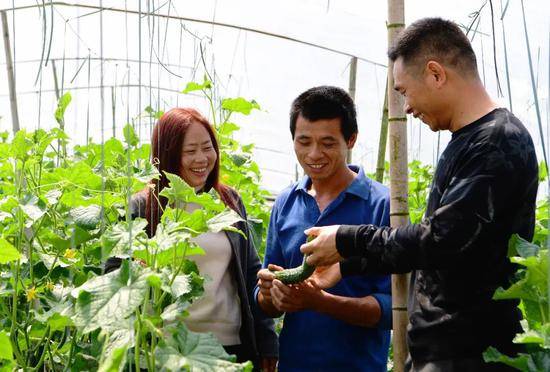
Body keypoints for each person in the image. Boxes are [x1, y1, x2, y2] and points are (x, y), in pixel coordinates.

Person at [300, 18, 539, 372]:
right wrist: (346, 264)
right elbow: (438, 250)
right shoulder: (469, 140)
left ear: (435, 74)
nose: (407, 107)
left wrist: (349, 239)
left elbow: (441, 239)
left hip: (472, 356)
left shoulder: (497, 142)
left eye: (404, 91)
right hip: (446, 353)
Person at [105, 108, 278, 371]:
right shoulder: (143, 207)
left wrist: (267, 340)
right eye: (190, 151)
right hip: (166, 348)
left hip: (229, 346)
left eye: (207, 147)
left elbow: (251, 271)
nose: (202, 158)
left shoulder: (228, 201)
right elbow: (114, 277)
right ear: (168, 155)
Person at [256, 86, 392, 371]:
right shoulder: (286, 202)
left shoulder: (383, 204)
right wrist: (270, 295)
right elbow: (267, 300)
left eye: (328, 143)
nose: (314, 154)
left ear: (350, 139)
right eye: (303, 142)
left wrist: (320, 302)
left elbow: (393, 310)